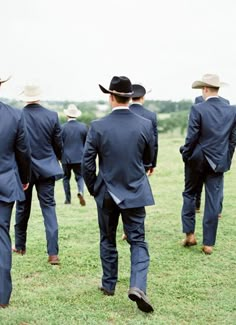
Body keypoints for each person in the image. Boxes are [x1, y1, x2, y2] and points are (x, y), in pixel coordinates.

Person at [82, 76, 155, 313]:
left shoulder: (98, 126)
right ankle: (137, 285)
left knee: (107, 238)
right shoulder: (145, 124)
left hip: (106, 192)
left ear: (111, 97)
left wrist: (94, 188)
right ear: (129, 96)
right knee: (138, 241)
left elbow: (87, 163)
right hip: (135, 191)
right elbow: (148, 160)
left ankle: (108, 284)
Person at [180, 74, 236, 255]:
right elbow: (233, 139)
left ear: (204, 89)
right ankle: (209, 244)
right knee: (213, 200)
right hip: (219, 160)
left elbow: (191, 138)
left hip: (196, 160)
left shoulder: (198, 108)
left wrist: (185, 153)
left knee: (189, 194)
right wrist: (226, 157)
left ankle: (189, 235)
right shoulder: (232, 110)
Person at [13, 83, 63, 265]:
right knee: (49, 209)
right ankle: (53, 253)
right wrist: (57, 158)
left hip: (22, 170)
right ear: (39, 96)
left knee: (22, 208)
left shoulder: (17, 115)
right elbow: (58, 144)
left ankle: (19, 246)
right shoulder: (52, 115)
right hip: (47, 169)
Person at [0, 76, 31, 308]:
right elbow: (23, 152)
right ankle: (2, 296)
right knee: (2, 236)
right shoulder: (14, 115)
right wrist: (25, 178)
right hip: (6, 182)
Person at [194, 95, 230, 217]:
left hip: (202, 150)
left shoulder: (198, 101)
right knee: (217, 185)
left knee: (199, 181)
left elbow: (195, 130)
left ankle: (197, 206)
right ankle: (216, 210)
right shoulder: (226, 102)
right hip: (219, 152)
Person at [61, 104, 88, 205]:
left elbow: (59, 143)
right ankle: (80, 192)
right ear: (76, 115)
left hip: (65, 157)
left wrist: (59, 156)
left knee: (66, 178)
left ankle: (68, 200)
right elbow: (87, 143)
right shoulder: (83, 127)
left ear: (67, 115)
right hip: (80, 157)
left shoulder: (62, 128)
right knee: (80, 177)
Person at [129, 84, 158, 174]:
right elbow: (153, 143)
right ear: (143, 97)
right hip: (143, 162)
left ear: (130, 98)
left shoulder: (123, 113)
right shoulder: (151, 115)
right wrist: (152, 164)